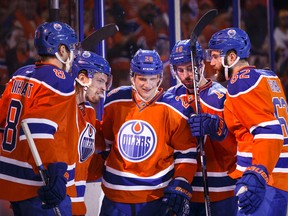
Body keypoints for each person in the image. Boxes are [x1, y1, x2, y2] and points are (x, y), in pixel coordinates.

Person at [97, 49, 198, 216]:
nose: (147, 85)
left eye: (152, 79)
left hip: (154, 197)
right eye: (142, 79)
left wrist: (181, 181)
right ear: (132, 77)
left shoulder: (175, 108)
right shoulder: (115, 99)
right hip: (115, 195)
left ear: (160, 78)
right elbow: (107, 141)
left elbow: (186, 153)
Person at [206, 27, 288, 216]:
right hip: (278, 179)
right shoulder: (268, 76)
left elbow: (269, 131)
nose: (212, 62)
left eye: (216, 56)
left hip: (263, 181)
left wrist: (258, 173)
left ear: (232, 57)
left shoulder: (241, 81)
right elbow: (250, 128)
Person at [0, 21, 78, 215]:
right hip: (37, 183)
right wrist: (56, 173)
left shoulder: (19, 74)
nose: (73, 53)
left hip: (10, 181)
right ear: (61, 49)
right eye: (71, 48)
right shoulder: (59, 79)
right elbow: (37, 129)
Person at [168, 39, 238, 216]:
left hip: (221, 192)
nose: (186, 75)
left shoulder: (222, 97)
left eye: (190, 68)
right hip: (184, 191)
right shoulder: (169, 98)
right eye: (180, 70)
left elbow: (237, 146)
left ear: (200, 63)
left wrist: (218, 129)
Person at [70, 51, 112, 216]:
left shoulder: (89, 112)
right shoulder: (60, 108)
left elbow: (86, 160)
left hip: (78, 202)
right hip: (53, 200)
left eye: (105, 82)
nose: (103, 88)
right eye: (100, 80)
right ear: (82, 77)